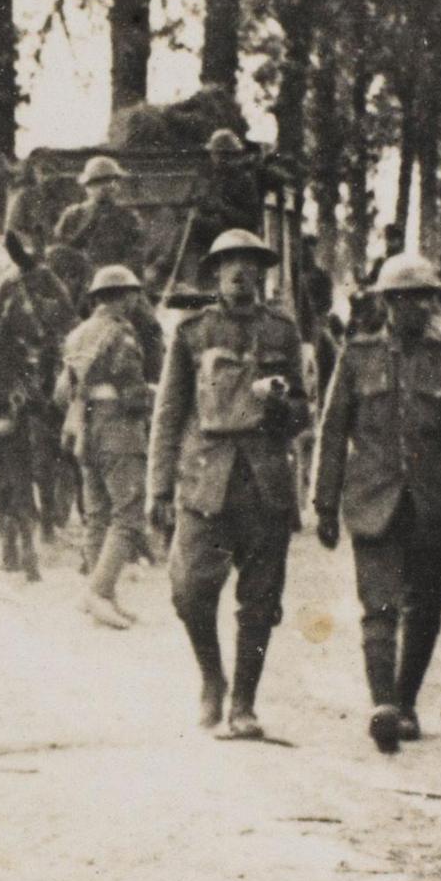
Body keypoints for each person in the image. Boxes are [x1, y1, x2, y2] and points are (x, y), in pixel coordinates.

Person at [312, 255, 441, 753]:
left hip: (435, 505)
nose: (414, 308)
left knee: (425, 609)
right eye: (402, 299)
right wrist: (323, 502)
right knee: (377, 606)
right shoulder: (356, 357)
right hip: (373, 501)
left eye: (424, 298)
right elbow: (333, 431)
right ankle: (382, 703)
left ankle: (405, 702)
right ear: (384, 303)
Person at [149, 229, 311, 737]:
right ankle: (212, 679)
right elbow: (170, 412)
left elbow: (306, 410)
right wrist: (157, 488)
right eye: (230, 263)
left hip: (264, 483)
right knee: (190, 592)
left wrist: (283, 405)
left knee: (260, 602)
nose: (241, 272)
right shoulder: (193, 332)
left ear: (262, 273)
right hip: (205, 481)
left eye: (250, 263)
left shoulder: (283, 332)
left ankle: (243, 702)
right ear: (216, 273)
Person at [60, 265, 157, 629]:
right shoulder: (122, 333)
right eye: (132, 294)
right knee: (128, 513)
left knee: (97, 513)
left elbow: (64, 391)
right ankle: (99, 592)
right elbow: (132, 391)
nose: (135, 300)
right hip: (118, 428)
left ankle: (103, 594)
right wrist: (151, 396)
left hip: (85, 428)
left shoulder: (76, 336)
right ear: (119, 297)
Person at [53, 156, 148, 281]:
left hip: (116, 282)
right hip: (80, 281)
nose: (106, 186)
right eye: (99, 182)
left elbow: (136, 256)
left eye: (111, 181)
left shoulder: (129, 218)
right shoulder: (74, 215)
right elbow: (61, 252)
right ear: (87, 186)